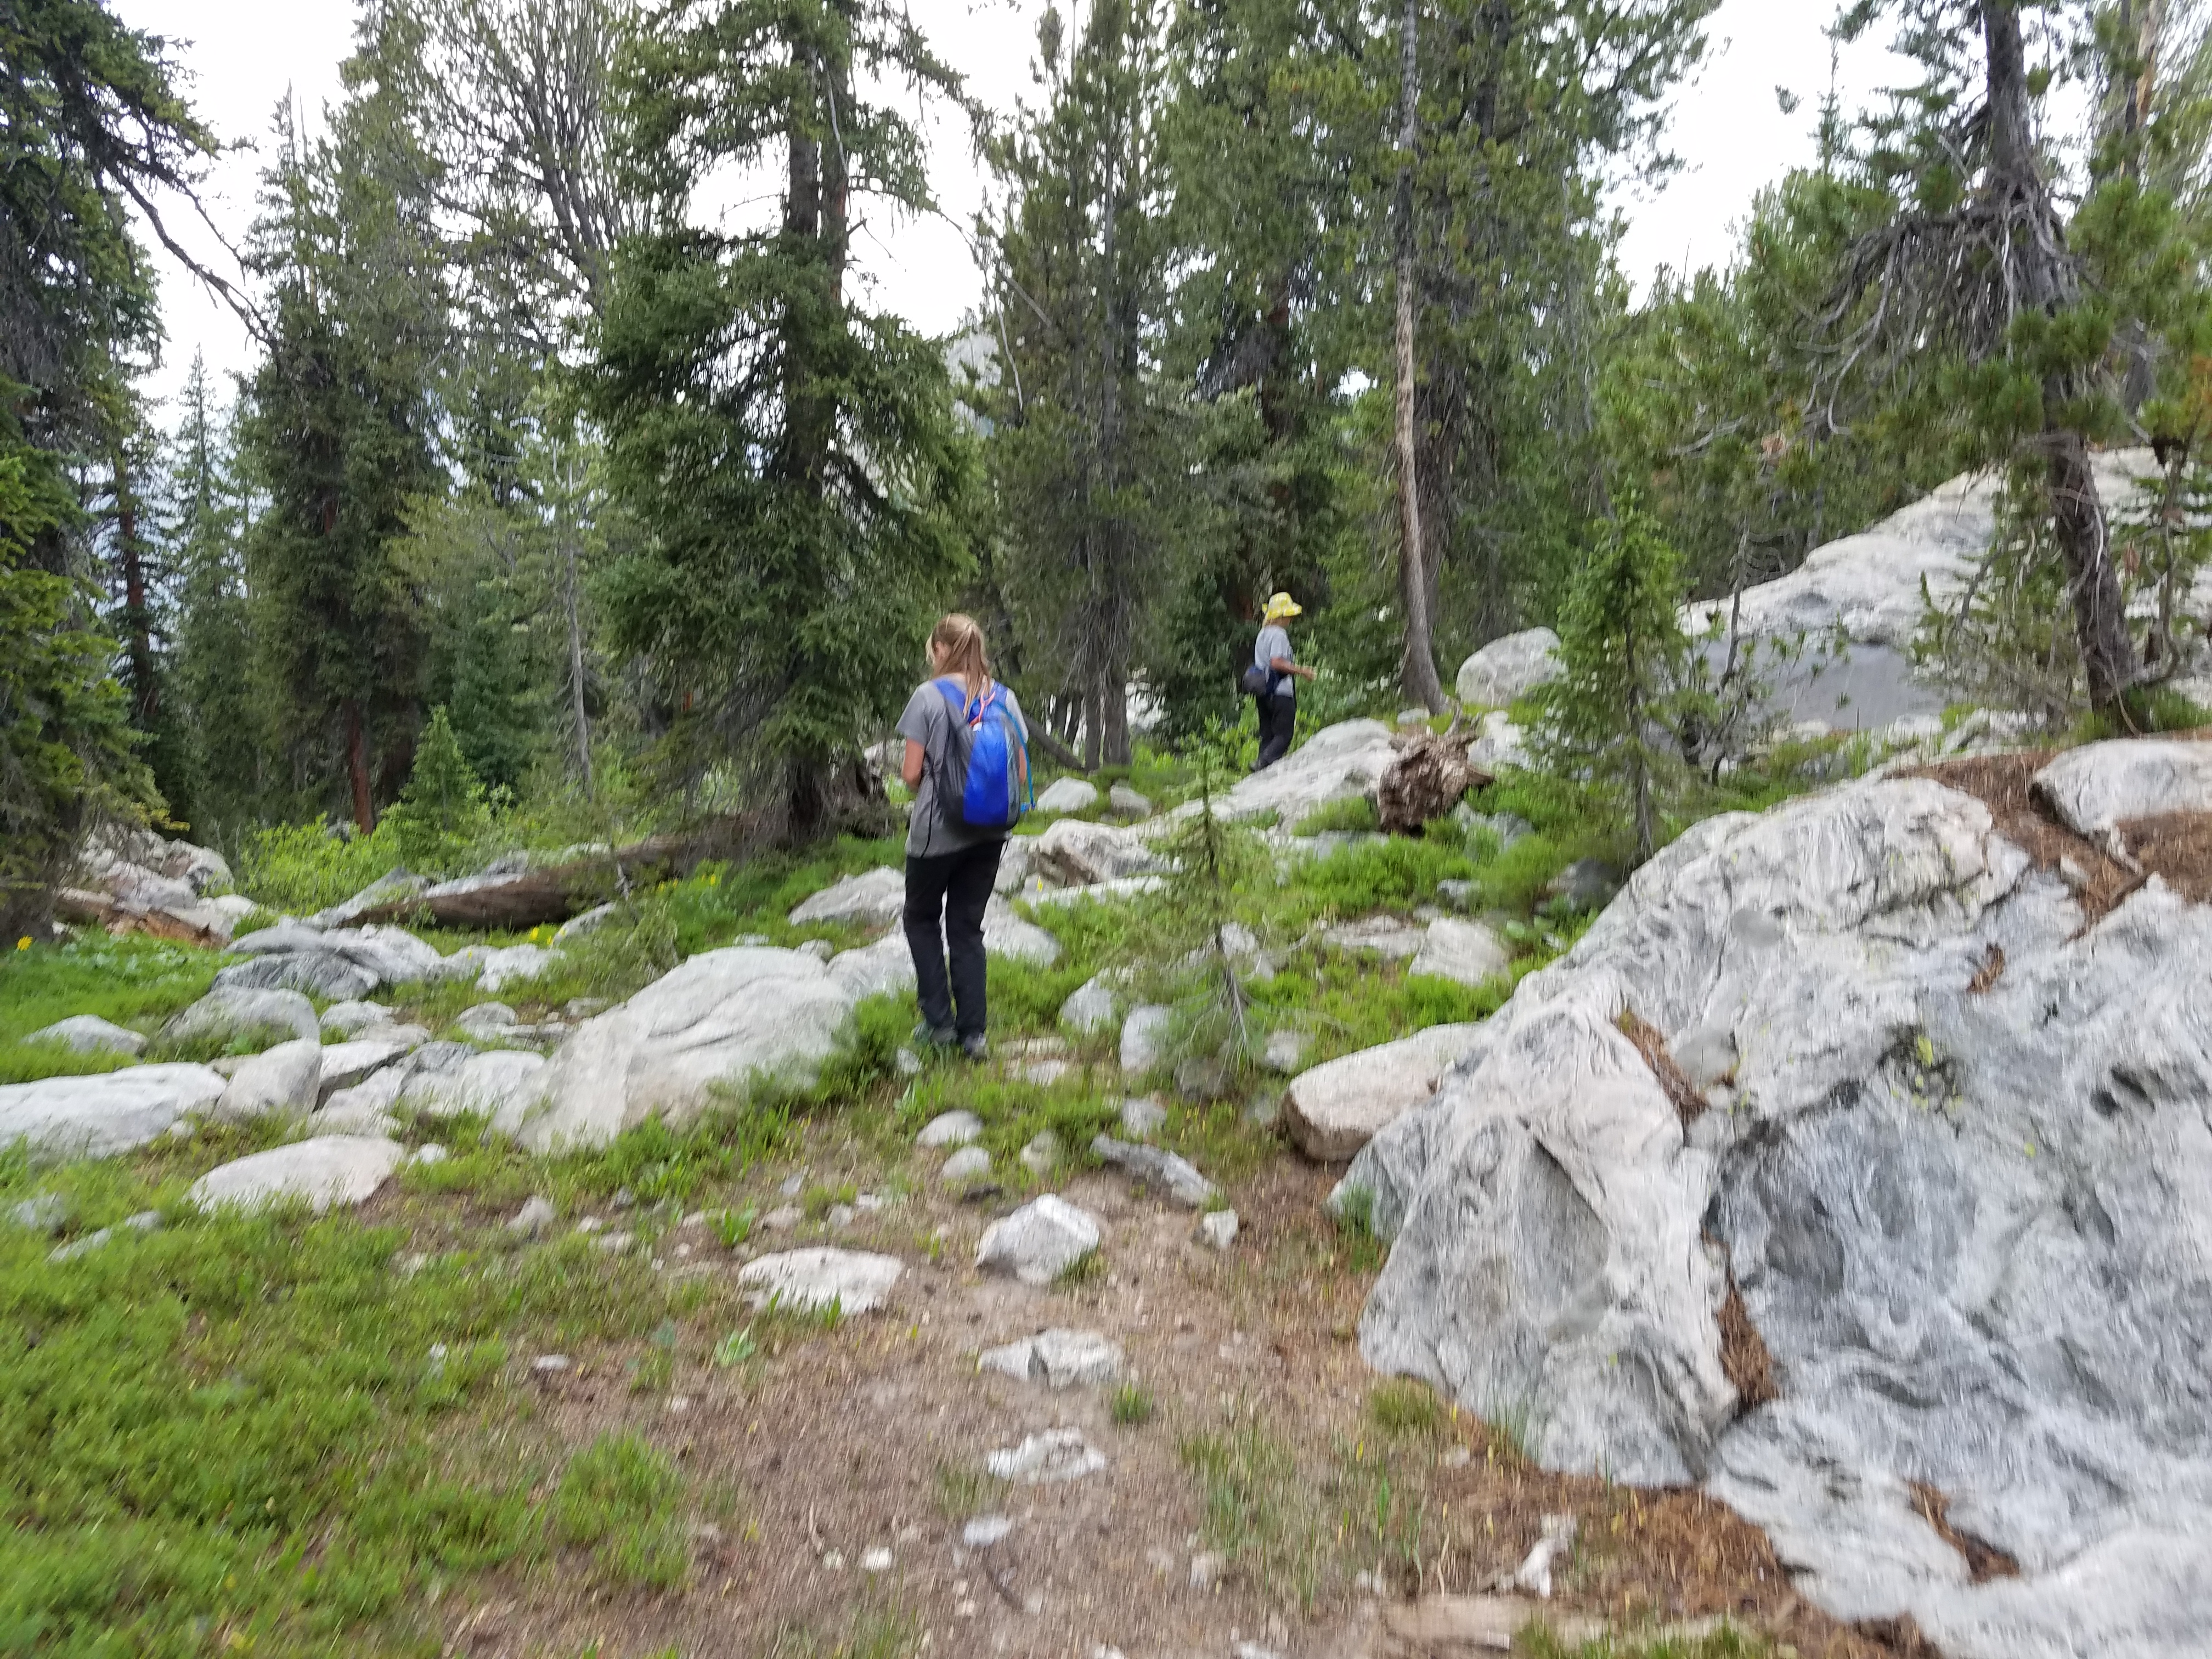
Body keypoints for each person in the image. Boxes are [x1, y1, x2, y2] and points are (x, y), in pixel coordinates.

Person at [898, 614, 1030, 1060]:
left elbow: (912, 774)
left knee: (920, 919)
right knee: (967, 928)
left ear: (941, 650)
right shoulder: (1004, 697)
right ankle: (974, 1035)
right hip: (991, 833)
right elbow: (1023, 769)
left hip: (937, 836)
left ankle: (939, 1025)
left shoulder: (927, 697)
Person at [1252, 591, 1315, 770]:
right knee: (1284, 734)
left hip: (1263, 692)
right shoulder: (1279, 634)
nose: (1290, 619)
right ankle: (1263, 763)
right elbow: (1277, 662)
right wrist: (1302, 671)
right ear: (1280, 616)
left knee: (1268, 734)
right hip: (1280, 692)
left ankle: (1261, 771)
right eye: (1288, 615)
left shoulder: (1262, 635)